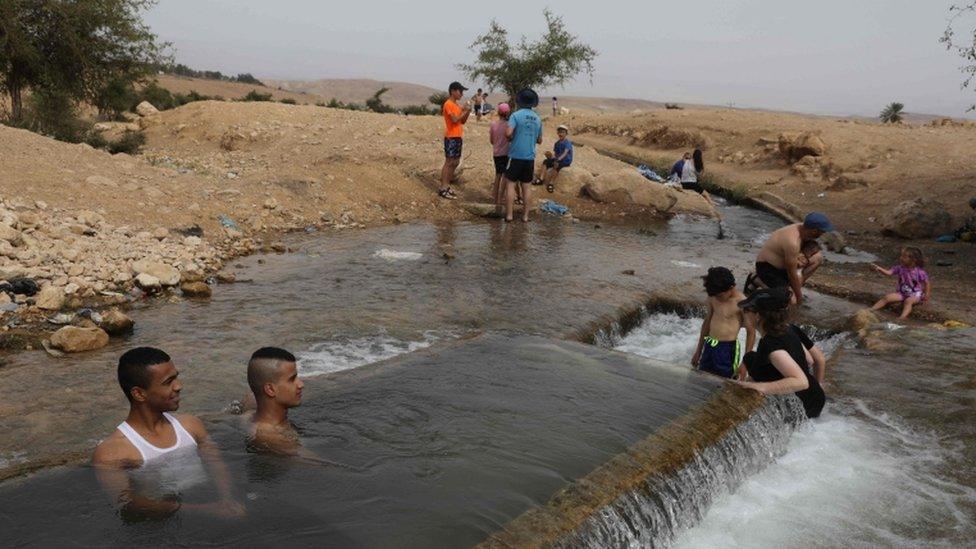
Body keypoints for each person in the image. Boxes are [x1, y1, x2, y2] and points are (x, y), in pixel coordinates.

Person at [92, 347, 245, 519]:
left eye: (177, 377)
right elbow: (127, 505)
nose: (179, 386)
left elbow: (216, 463)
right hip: (165, 519)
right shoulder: (113, 452)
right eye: (168, 382)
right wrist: (205, 510)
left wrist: (227, 500)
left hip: (206, 503)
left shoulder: (191, 425)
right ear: (139, 394)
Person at [735, 288, 826, 418]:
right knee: (751, 358)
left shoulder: (771, 345)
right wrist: (819, 384)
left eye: (746, 310)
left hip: (804, 406)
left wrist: (761, 387)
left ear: (758, 315)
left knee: (753, 361)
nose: (743, 313)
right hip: (816, 396)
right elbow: (814, 360)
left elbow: (801, 382)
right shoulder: (789, 328)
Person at [745, 212, 835, 304]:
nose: (823, 233)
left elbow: (812, 247)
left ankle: (791, 289)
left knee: (818, 258)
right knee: (790, 300)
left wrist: (804, 256)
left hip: (784, 265)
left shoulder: (804, 229)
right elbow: (791, 273)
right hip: (768, 268)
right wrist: (799, 297)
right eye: (822, 231)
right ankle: (756, 279)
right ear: (814, 231)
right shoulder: (792, 241)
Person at [692, 267, 756, 380]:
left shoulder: (742, 303)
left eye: (719, 296)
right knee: (701, 377)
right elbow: (707, 322)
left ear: (731, 287)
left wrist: (745, 363)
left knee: (726, 380)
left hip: (727, 350)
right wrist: (698, 351)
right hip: (709, 345)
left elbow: (751, 332)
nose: (717, 298)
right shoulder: (713, 296)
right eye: (714, 295)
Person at [246, 347, 305, 456]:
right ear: (270, 389)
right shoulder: (270, 437)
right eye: (292, 379)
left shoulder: (248, 411)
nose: (301, 384)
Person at [503, 88, 543, 223]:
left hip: (515, 156)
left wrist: (512, 137)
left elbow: (508, 133)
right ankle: (525, 217)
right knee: (527, 187)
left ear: (519, 101)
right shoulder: (537, 118)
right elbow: (540, 140)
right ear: (533, 103)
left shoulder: (515, 115)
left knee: (510, 185)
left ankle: (509, 216)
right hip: (529, 158)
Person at [870, 246, 931, 319]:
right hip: (902, 293)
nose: (901, 258)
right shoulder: (899, 268)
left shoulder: (920, 272)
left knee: (908, 301)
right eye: (901, 256)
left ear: (913, 260)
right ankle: (871, 309)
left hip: (915, 295)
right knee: (887, 297)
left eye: (904, 257)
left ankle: (902, 317)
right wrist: (879, 269)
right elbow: (889, 272)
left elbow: (927, 282)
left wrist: (927, 294)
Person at [439, 81, 473, 200]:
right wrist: (464, 110)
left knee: (455, 162)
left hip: (457, 136)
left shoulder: (457, 106)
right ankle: (443, 188)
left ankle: (447, 186)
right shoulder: (448, 104)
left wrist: (467, 111)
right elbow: (454, 120)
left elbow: (462, 121)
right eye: (460, 91)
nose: (462, 94)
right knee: (449, 162)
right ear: (453, 91)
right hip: (451, 136)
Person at [534, 124, 573, 194]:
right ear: (557, 133)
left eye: (563, 132)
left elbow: (565, 153)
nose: (561, 134)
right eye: (560, 132)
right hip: (559, 159)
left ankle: (551, 183)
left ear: (566, 134)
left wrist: (557, 159)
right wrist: (551, 157)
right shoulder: (557, 143)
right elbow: (556, 155)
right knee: (546, 161)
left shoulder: (568, 143)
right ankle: (541, 179)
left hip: (566, 160)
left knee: (556, 164)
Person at [489, 103, 512, 213]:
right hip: (506, 153)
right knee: (505, 177)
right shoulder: (509, 125)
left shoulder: (493, 124)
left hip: (496, 153)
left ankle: (494, 198)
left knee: (497, 175)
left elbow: (492, 141)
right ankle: (501, 199)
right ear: (507, 113)